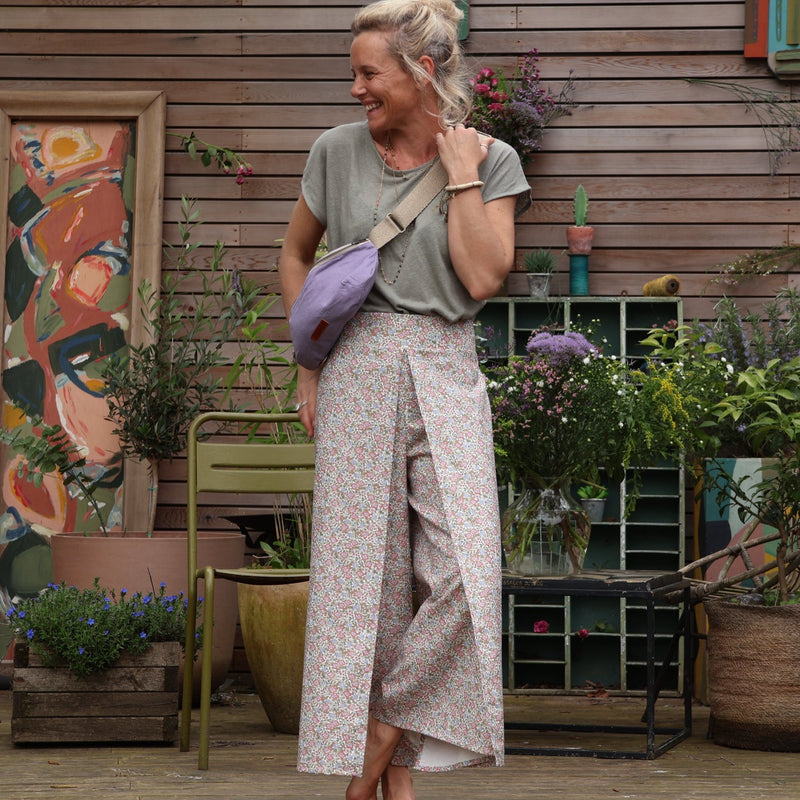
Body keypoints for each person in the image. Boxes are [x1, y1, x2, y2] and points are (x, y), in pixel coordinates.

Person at [279, 1, 531, 797]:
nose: (356, 88)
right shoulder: (335, 151)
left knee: (463, 573)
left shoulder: (491, 159)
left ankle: (379, 740)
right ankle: (397, 785)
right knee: (369, 580)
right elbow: (296, 254)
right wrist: (309, 364)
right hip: (356, 364)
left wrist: (461, 176)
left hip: (446, 364)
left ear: (421, 71)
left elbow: (482, 277)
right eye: (353, 73)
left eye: (369, 73)